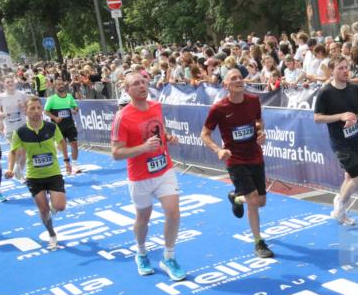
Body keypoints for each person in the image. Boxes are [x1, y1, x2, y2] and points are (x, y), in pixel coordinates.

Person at [111, 72, 185, 280]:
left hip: (164, 169)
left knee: (173, 212)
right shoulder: (122, 117)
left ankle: (169, 257)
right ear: (127, 91)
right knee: (143, 218)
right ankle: (141, 252)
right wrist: (143, 147)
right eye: (136, 84)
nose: (142, 86)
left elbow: (158, 133)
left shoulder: (156, 107)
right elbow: (116, 153)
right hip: (140, 176)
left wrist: (168, 138)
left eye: (144, 82)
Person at [201, 69, 274, 259]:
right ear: (226, 85)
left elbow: (259, 122)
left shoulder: (253, 101)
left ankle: (236, 198)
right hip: (235, 159)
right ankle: (259, 242)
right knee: (253, 200)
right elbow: (204, 134)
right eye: (233, 78)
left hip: (255, 156)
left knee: (261, 202)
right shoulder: (218, 108)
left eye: (240, 77)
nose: (239, 80)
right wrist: (218, 150)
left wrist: (261, 133)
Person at [4, 96, 71, 249]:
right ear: (25, 111)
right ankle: (52, 234)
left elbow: (61, 142)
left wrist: (67, 161)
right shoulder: (20, 132)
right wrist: (10, 168)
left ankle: (54, 207)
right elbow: (13, 152)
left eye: (38, 108)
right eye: (32, 109)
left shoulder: (51, 127)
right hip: (34, 176)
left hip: (53, 172)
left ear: (42, 110)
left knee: (60, 206)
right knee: (44, 210)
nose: (36, 111)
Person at [313, 58, 358, 226]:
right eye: (341, 68)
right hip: (339, 142)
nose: (345, 71)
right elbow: (317, 118)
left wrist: (356, 117)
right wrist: (341, 116)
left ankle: (341, 212)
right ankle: (339, 205)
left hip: (356, 138)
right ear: (332, 71)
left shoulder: (355, 88)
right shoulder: (325, 92)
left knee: (349, 176)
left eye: (347, 67)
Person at [44, 81, 82, 173]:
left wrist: (75, 109)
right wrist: (55, 118)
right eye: (58, 84)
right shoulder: (51, 99)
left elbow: (74, 106)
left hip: (70, 124)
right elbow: (46, 111)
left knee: (74, 144)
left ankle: (75, 165)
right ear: (55, 87)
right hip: (58, 126)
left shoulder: (69, 96)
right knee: (63, 146)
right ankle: (67, 163)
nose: (60, 86)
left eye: (61, 84)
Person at [0, 77, 29, 179]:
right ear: (4, 85)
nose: (10, 83)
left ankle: (18, 170)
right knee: (17, 150)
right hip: (10, 127)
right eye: (7, 82)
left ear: (14, 83)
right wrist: (0, 113)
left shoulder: (21, 94)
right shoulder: (1, 97)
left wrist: (22, 105)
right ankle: (16, 171)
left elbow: (27, 108)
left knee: (24, 152)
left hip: (23, 126)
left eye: (11, 81)